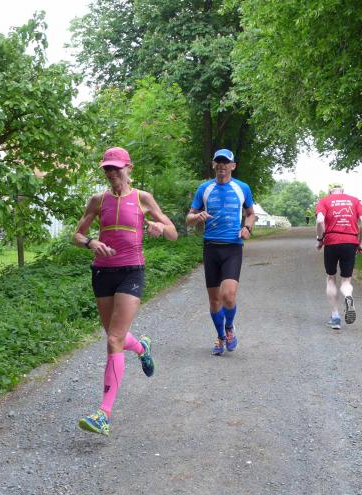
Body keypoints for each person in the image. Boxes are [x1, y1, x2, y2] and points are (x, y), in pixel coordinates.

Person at [73, 147, 178, 436]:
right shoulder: (98, 200)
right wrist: (91, 243)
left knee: (114, 339)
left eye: (116, 168)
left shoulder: (143, 198)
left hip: (132, 271)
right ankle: (142, 348)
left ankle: (103, 414)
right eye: (107, 168)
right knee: (114, 335)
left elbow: (173, 233)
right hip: (102, 273)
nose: (111, 173)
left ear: (128, 167)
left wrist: (160, 227)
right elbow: (77, 234)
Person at [186, 148, 256, 355]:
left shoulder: (242, 188)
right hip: (211, 248)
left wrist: (247, 228)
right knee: (215, 300)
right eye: (218, 162)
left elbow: (251, 213)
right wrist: (196, 217)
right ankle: (220, 337)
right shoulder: (204, 189)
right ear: (213, 165)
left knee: (229, 296)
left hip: (233, 247)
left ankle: (229, 328)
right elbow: (189, 218)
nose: (222, 166)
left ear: (233, 166)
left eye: (226, 162)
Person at [315, 182, 362, 329]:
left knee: (331, 278)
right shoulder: (354, 201)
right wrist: (360, 242)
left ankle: (335, 317)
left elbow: (320, 220)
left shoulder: (324, 201)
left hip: (331, 242)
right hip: (350, 243)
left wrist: (320, 240)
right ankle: (348, 297)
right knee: (346, 281)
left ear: (330, 191)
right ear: (343, 190)